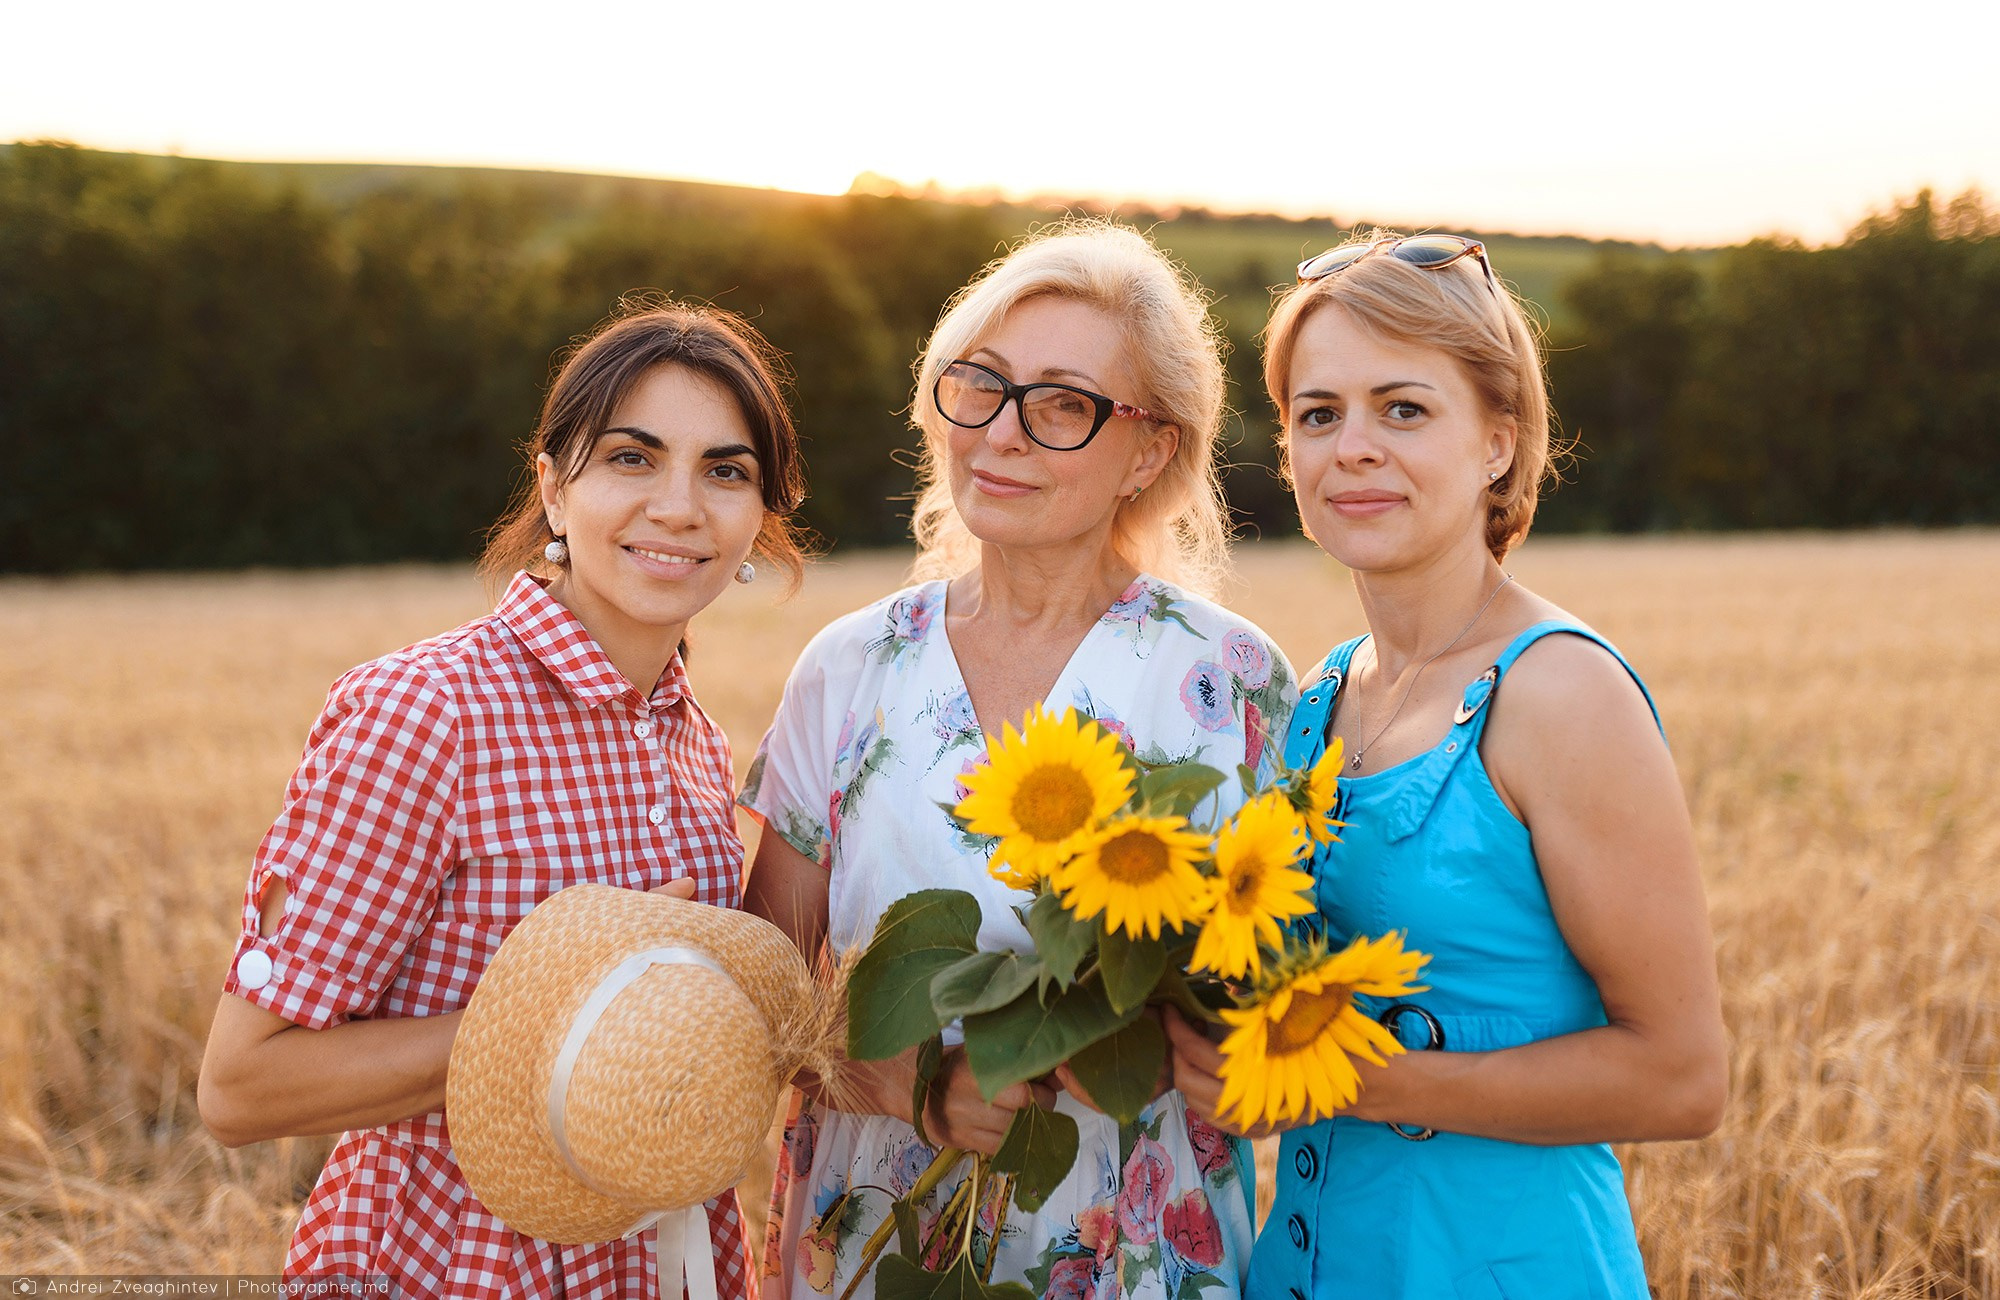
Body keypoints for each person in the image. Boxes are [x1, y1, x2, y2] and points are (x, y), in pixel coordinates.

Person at [196, 301, 811, 1298]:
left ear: (757, 522)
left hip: (657, 1263)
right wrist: (563, 1020)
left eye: (724, 470)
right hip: (452, 1267)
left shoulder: (692, 739)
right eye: (630, 457)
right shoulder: (425, 711)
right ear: (554, 486)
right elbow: (241, 1084)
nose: (679, 505)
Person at [1164, 232, 1728, 1299]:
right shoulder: (1318, 699)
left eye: (1404, 408)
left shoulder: (1560, 694)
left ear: (1497, 445)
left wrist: (1341, 1081)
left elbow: (1681, 1076)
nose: (1352, 448)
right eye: (1317, 413)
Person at [739, 221, 1297, 1299]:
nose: (1000, 433)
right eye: (980, 385)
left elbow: (1286, 996)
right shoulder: (848, 669)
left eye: (1061, 404)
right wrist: (914, 1085)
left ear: (1150, 450)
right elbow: (763, 998)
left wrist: (1240, 1066)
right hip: (876, 1239)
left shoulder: (1229, 681)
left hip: (1134, 1253)